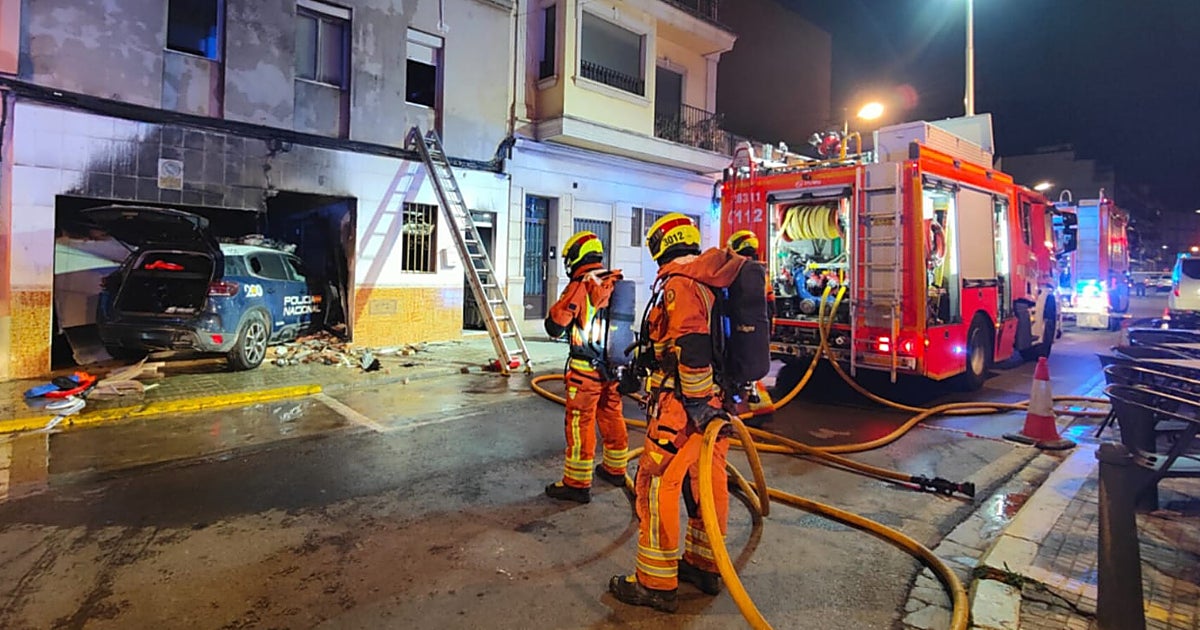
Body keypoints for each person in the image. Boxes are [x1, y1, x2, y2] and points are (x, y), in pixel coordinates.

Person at [609, 213, 744, 613]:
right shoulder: (711, 279)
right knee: (707, 482)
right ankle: (704, 564)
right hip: (714, 405)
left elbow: (692, 345)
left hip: (684, 408)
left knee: (655, 482)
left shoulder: (681, 283)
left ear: (662, 245)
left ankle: (655, 583)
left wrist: (696, 404)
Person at [543, 231, 629, 504]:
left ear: (576, 256)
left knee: (580, 423)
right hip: (612, 368)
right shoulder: (614, 281)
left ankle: (576, 484)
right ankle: (615, 469)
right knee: (612, 415)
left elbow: (556, 326)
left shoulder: (581, 284)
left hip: (584, 372)